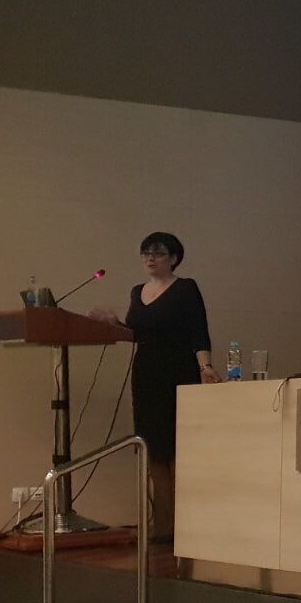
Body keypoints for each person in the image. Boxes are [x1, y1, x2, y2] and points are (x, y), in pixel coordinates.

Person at [93, 232, 215, 541]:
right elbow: (138, 334)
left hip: (177, 370)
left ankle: (187, 525)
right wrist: (115, 323)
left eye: (158, 253)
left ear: (173, 258)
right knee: (153, 447)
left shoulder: (185, 288)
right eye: (146, 253)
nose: (150, 258)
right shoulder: (138, 291)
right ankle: (163, 525)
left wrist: (205, 367)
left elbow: (199, 331)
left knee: (177, 448)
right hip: (146, 373)